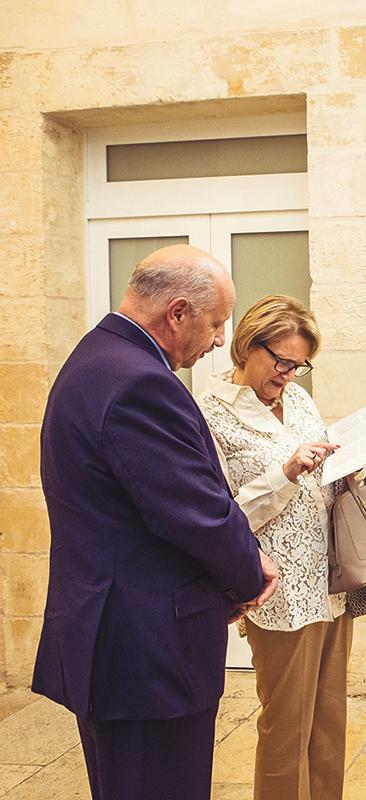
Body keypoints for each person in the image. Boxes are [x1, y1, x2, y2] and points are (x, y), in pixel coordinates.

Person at [34, 245, 277, 800]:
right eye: (216, 323)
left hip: (115, 638)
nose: (220, 339)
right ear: (177, 313)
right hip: (147, 651)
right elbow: (195, 511)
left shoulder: (95, 359)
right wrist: (249, 571)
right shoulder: (139, 383)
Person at [200, 295, 351, 800]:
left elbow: (320, 473)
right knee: (286, 726)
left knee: (328, 720)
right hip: (278, 592)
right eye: (280, 361)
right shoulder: (210, 413)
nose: (288, 374)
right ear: (247, 346)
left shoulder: (300, 399)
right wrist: (286, 472)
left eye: (299, 365)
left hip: (329, 580)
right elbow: (221, 514)